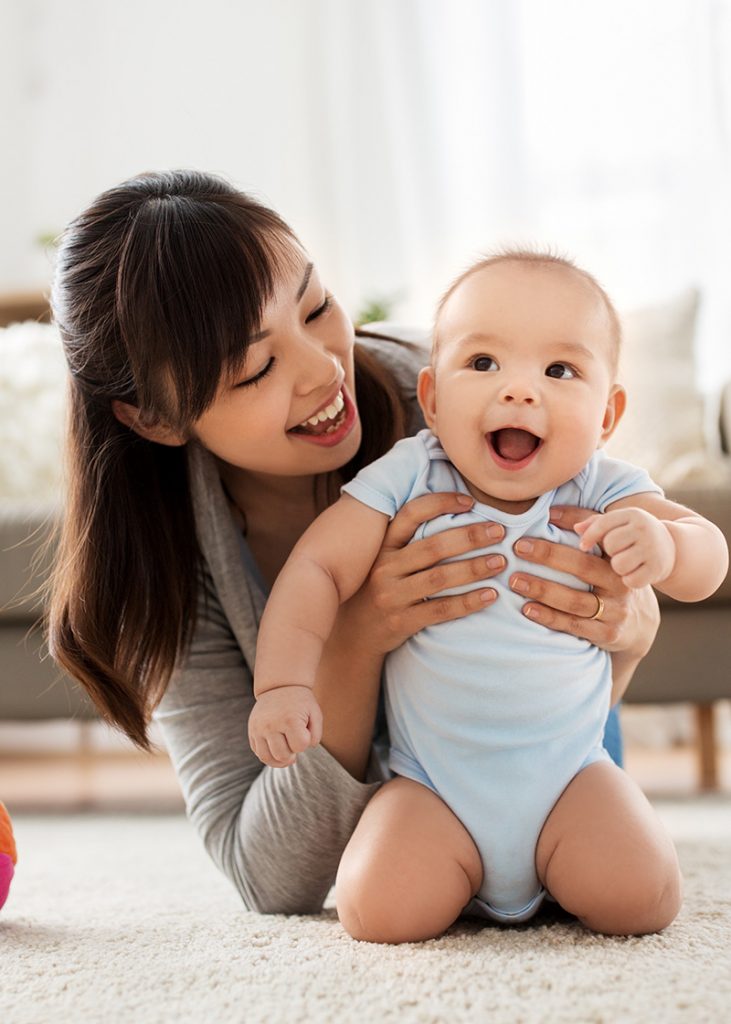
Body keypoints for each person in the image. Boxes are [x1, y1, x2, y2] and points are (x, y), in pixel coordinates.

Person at [48, 170, 661, 921]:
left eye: (316, 306)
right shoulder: (166, 562)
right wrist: (353, 640)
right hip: (416, 825)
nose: (322, 368)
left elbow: (614, 565)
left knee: (624, 882)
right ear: (153, 418)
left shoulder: (462, 407)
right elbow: (267, 875)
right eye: (258, 368)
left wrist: (628, 634)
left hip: (562, 768)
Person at [250, 251, 728, 942]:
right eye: (483, 364)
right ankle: (461, 872)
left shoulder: (602, 486)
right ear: (434, 399)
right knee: (376, 912)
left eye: (559, 371)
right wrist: (283, 685)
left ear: (607, 414)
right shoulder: (410, 473)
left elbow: (707, 554)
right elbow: (316, 570)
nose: (519, 392)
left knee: (641, 899)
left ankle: (557, 864)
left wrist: (668, 546)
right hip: (432, 789)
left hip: (570, 777)